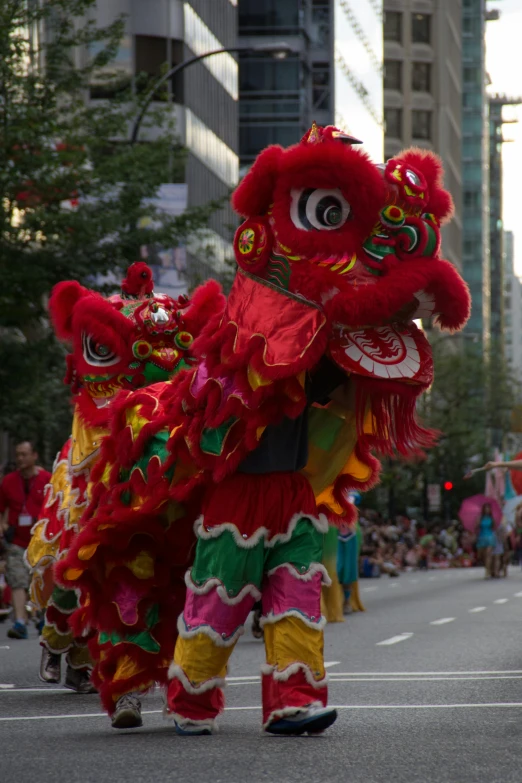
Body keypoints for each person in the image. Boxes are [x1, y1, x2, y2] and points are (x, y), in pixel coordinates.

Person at [0, 440, 51, 639]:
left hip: (42, 540)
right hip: (16, 540)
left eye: (24, 454)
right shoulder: (8, 481)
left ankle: (42, 619)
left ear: (34, 455)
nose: (20, 458)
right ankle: (20, 622)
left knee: (40, 579)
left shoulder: (47, 478)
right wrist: (2, 527)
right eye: (18, 454)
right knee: (17, 579)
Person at [475, 503, 496, 578]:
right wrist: (477, 523)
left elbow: (494, 527)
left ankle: (487, 572)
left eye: (488, 508)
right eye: (486, 508)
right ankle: (487, 567)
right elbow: (476, 527)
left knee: (488, 554)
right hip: (482, 536)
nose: (487, 510)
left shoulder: (491, 518)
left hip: (490, 536)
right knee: (482, 555)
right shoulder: (480, 518)